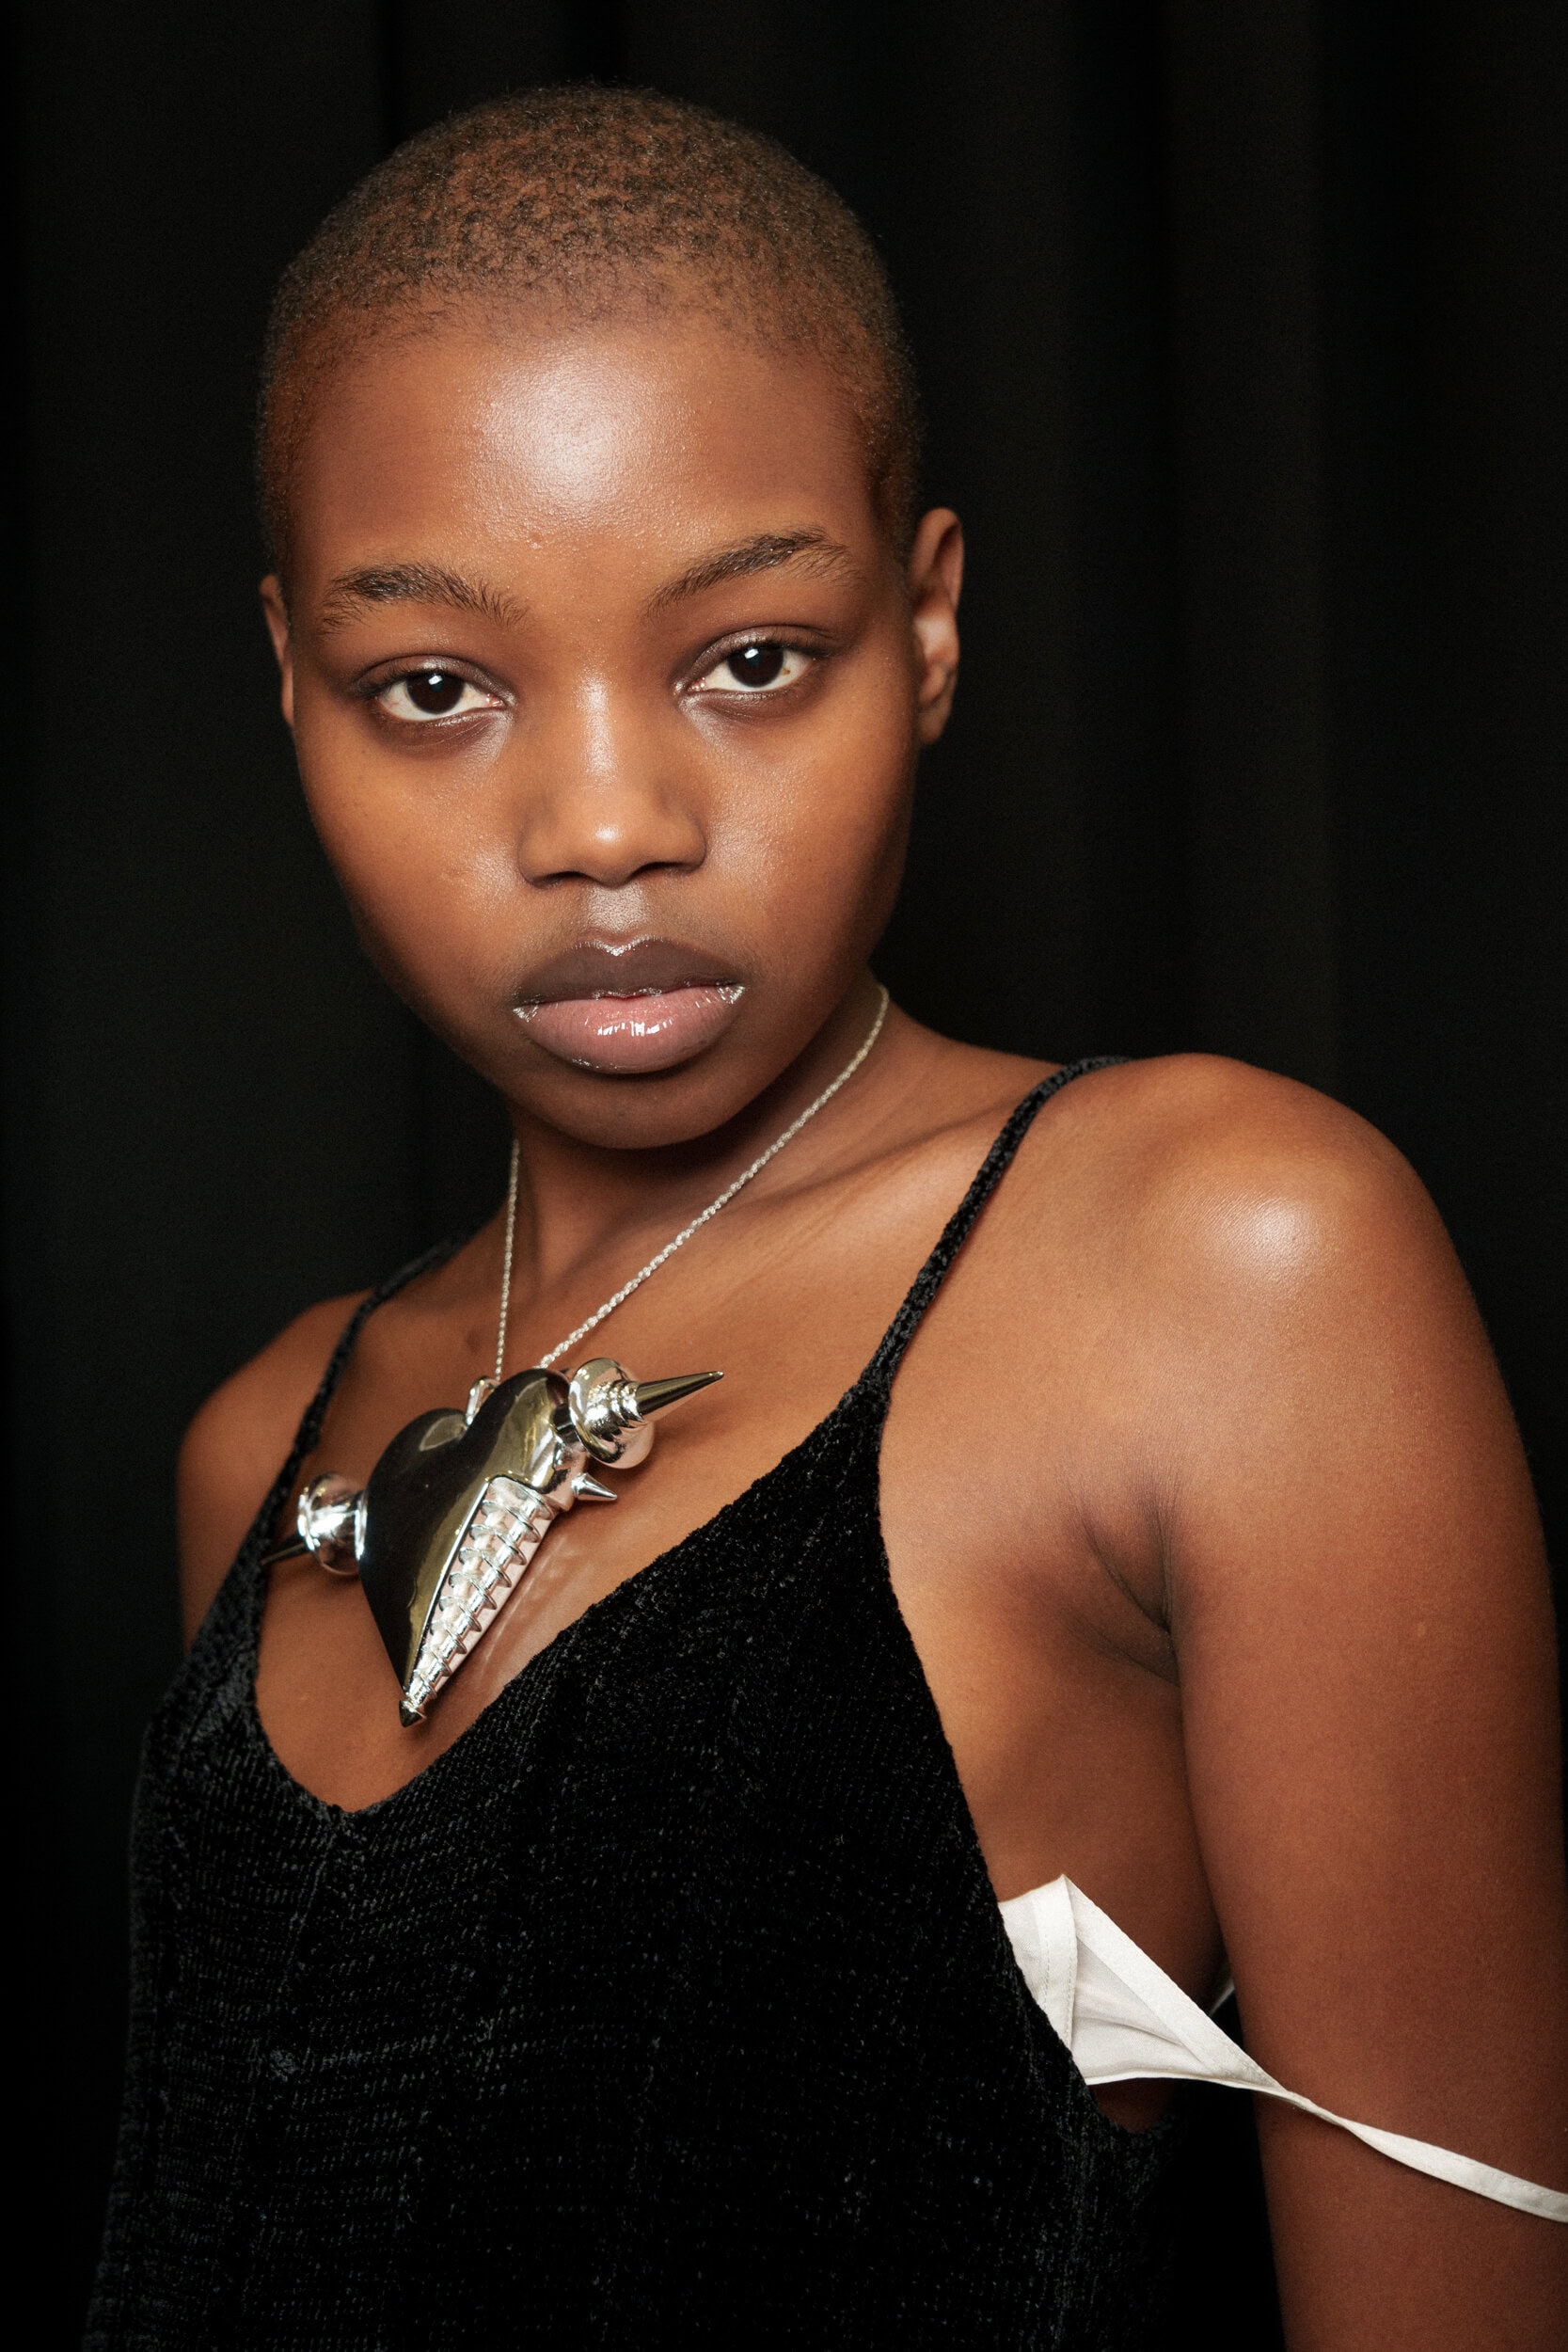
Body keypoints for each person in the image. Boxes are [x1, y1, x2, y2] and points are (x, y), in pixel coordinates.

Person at [88, 86, 1566, 2349]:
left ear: (931, 625)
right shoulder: (264, 1445)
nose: (608, 823)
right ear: (293, 685)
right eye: (439, 687)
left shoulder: (1215, 1263)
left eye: (750, 656)